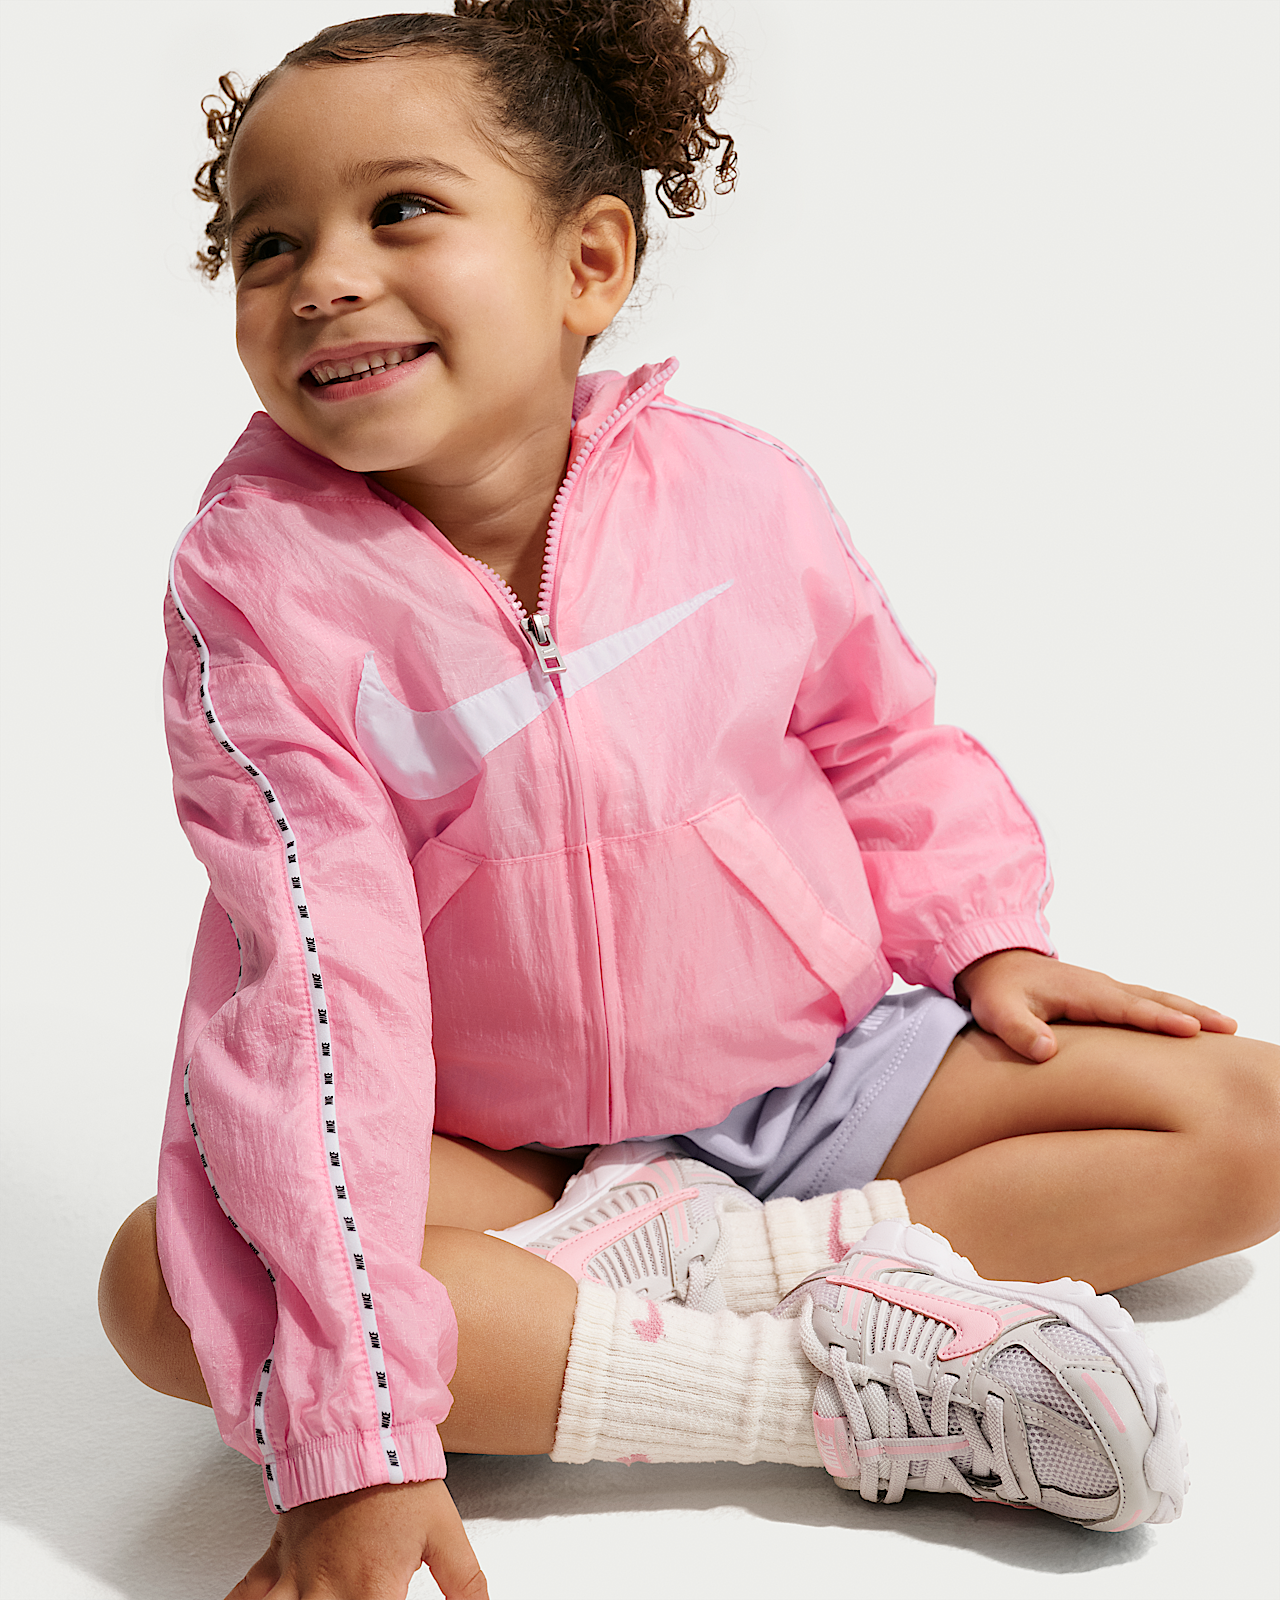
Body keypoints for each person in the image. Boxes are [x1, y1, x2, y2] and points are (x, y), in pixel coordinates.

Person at [96, 4, 1279, 1597]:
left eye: (402, 209)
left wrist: (986, 938)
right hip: (497, 1143)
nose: (323, 276)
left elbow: (882, 738)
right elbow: (312, 986)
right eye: (266, 243)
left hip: (819, 1075)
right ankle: (801, 1394)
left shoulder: (740, 491)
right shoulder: (260, 590)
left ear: (588, 264)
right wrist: (353, 1441)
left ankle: (741, 1262)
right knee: (169, 1293)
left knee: (1251, 1121)